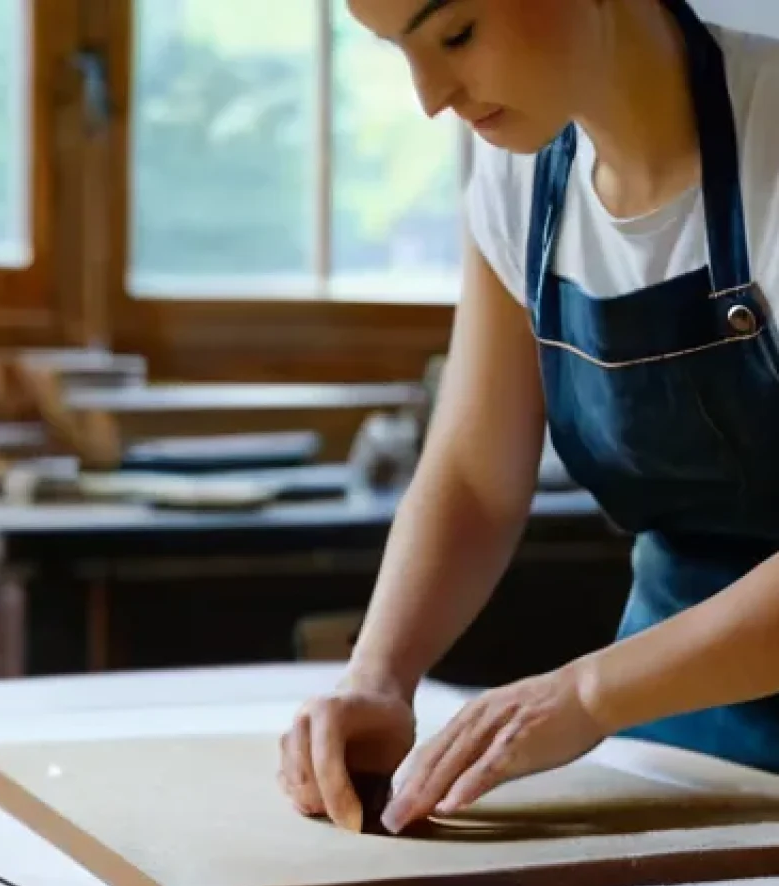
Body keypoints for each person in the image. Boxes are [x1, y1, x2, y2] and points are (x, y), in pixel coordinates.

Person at [278, 0, 779, 836]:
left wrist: (587, 692)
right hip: (679, 751)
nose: (430, 96)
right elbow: (474, 479)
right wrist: (377, 675)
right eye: (398, 51)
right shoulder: (517, 184)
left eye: (457, 35)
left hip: (634, 695)